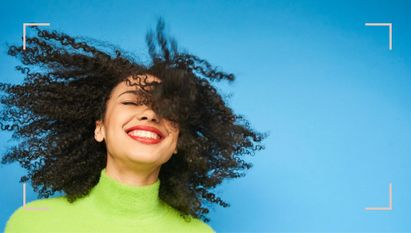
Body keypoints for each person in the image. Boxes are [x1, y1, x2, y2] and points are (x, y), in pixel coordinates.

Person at [1, 18, 266, 233]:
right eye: (131, 102)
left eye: (166, 110)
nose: (150, 115)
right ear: (100, 128)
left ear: (177, 143)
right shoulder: (33, 223)